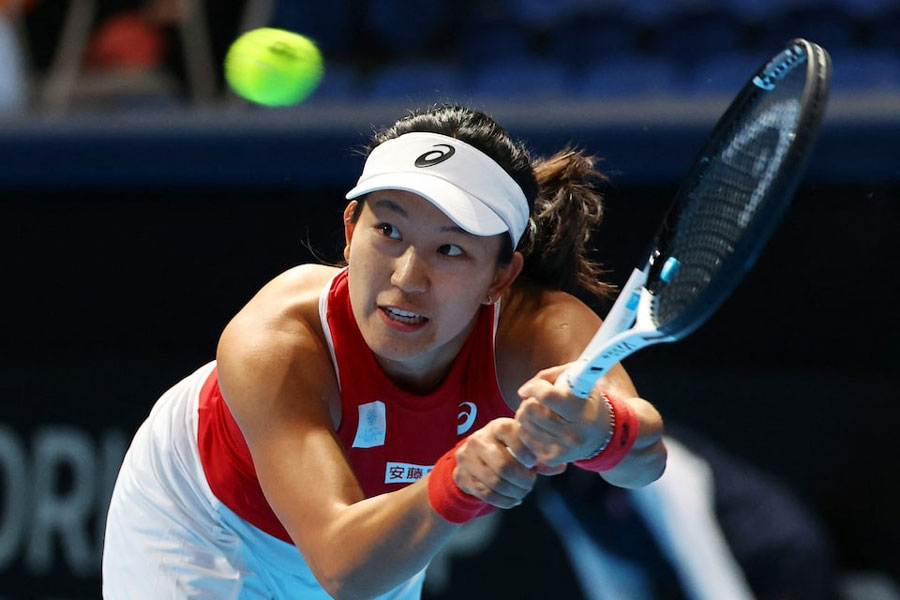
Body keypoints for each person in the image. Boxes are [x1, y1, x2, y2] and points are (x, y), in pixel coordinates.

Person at [102, 104, 666, 599]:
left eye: (450, 249)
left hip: (374, 529)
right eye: (389, 232)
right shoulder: (278, 338)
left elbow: (646, 459)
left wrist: (598, 429)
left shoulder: (539, 327)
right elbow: (345, 569)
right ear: (351, 231)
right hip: (205, 525)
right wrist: (458, 482)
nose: (407, 278)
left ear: (501, 276)